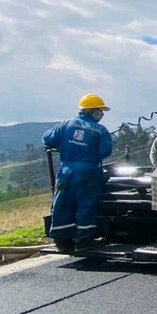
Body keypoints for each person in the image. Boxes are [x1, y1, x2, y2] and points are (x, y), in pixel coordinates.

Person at [43, 94, 113, 252]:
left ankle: (62, 241)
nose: (102, 114)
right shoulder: (100, 130)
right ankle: (83, 241)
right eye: (100, 111)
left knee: (62, 203)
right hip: (88, 171)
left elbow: (48, 139)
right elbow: (104, 151)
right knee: (86, 204)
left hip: (66, 170)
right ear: (93, 111)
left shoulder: (65, 124)